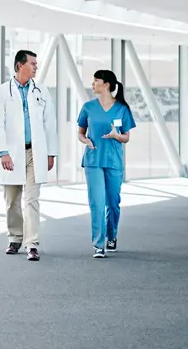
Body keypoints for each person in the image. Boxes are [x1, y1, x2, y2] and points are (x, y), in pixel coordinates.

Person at [0, 50, 58, 261]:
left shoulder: (41, 91)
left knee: (32, 199)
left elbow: (50, 124)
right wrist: (3, 153)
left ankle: (32, 244)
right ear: (20, 65)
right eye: (32, 63)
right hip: (11, 153)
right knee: (12, 200)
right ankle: (15, 238)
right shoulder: (2, 92)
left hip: (34, 152)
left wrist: (51, 153)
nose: (36, 67)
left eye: (37, 64)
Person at [77, 70, 135, 258]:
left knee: (113, 203)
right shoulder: (88, 107)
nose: (92, 84)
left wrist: (116, 136)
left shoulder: (122, 109)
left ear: (107, 84)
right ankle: (98, 244)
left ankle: (112, 236)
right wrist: (85, 140)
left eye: (96, 80)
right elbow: (81, 132)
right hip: (93, 160)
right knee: (97, 202)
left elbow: (126, 137)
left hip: (113, 161)